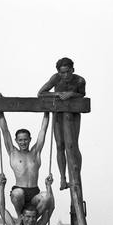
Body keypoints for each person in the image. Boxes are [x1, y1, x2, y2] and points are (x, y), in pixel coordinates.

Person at [37, 56, 86, 190]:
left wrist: (71, 94)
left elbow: (82, 95)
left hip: (73, 114)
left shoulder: (80, 80)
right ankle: (63, 178)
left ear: (72, 70)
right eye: (62, 72)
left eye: (68, 72)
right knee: (60, 145)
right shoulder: (55, 78)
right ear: (58, 72)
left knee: (73, 145)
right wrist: (58, 94)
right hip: (58, 114)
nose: (65, 75)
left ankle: (75, 177)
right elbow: (41, 93)